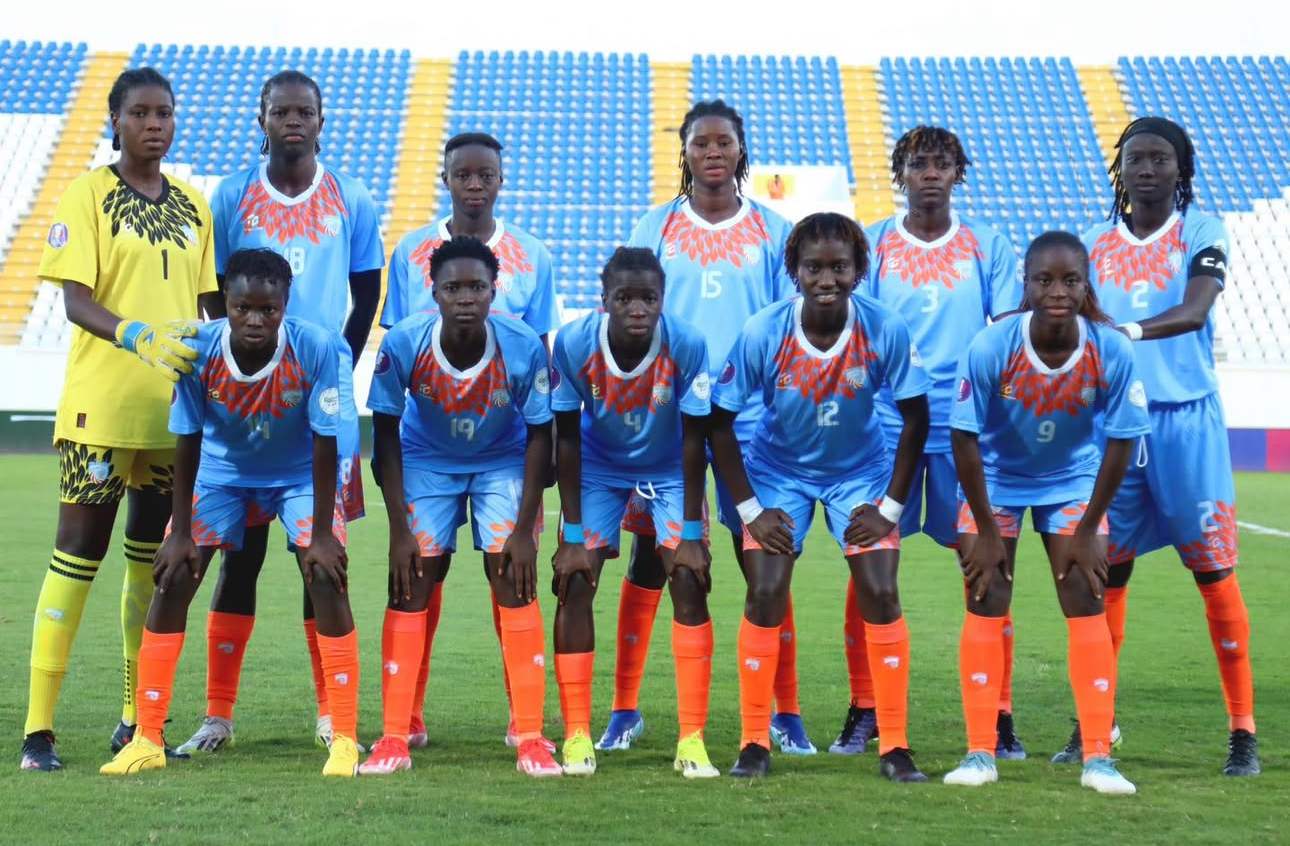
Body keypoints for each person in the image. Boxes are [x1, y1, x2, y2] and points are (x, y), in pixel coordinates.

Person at [176, 70, 383, 756]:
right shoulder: (230, 194)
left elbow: (367, 287)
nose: (293, 120)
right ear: (260, 119)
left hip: (319, 401)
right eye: (281, 111)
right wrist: (237, 355)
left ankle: (331, 714)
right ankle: (217, 716)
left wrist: (337, 360)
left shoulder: (351, 195)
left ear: (322, 121)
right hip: (244, 401)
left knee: (316, 557)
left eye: (305, 111)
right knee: (237, 562)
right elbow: (215, 288)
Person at [21, 67, 222, 772]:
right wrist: (135, 334)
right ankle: (38, 731)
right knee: (76, 558)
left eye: (164, 112)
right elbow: (75, 301)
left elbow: (212, 310)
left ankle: (138, 719)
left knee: (151, 568)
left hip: (172, 417)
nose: (154, 123)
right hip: (100, 409)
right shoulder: (86, 194)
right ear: (116, 121)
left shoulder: (195, 206)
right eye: (140, 112)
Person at [100, 248, 361, 778]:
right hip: (221, 475)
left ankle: (345, 738)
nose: (255, 320)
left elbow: (325, 441)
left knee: (325, 574)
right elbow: (188, 437)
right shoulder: (197, 349)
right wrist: (179, 533)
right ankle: (148, 738)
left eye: (269, 310)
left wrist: (322, 535)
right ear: (226, 302)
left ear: (286, 304)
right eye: (243, 308)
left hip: (297, 476)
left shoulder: (316, 347)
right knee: (173, 574)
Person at [603, 99, 809, 756]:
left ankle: (785, 712)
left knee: (764, 560)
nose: (713, 152)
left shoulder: (775, 231)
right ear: (685, 151)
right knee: (649, 559)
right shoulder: (656, 226)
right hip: (668, 423)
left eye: (724, 142)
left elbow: (791, 326)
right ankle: (624, 709)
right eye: (701, 142)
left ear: (741, 150)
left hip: (754, 423)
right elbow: (631, 315)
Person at [1055, 117, 1258, 776]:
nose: (1145, 169)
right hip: (1115, 426)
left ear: (1180, 170)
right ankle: (1096, 722)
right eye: (1135, 159)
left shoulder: (1201, 231)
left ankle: (1243, 731)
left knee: (1214, 576)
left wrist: (1126, 332)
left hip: (1185, 422)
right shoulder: (1093, 244)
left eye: (1159, 158)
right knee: (1103, 575)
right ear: (1121, 170)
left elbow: (1195, 310)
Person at [709, 212, 930, 780]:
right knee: (765, 590)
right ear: (795, 271)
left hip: (859, 473)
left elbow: (916, 418)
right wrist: (752, 511)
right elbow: (719, 422)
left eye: (839, 267)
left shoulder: (884, 327)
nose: (827, 279)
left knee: (880, 589)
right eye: (814, 268)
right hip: (778, 471)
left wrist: (889, 509)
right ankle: (754, 742)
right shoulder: (764, 330)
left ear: (859, 270)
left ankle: (895, 745)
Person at [832, 126, 1025, 759]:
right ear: (902, 174)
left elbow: (1006, 336)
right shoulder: (875, 245)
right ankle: (865, 708)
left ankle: (998, 715)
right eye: (919, 164)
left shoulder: (988, 246)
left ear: (958, 174)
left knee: (987, 568)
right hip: (886, 432)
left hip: (968, 431)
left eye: (943, 164)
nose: (931, 174)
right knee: (868, 568)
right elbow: (854, 333)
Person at [942, 231, 1148, 795]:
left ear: (1086, 286)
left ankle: (1099, 758)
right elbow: (963, 437)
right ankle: (980, 753)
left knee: (1086, 594)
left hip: (1072, 481)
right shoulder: (992, 344)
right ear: (1026, 285)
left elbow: (1122, 442)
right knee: (985, 594)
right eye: (1045, 280)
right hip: (996, 481)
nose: (1058, 291)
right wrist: (986, 530)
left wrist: (1088, 528)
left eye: (1070, 280)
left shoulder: (1111, 349)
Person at [380, 131, 559, 750]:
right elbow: (403, 345)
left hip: (504, 444)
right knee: (419, 573)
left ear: (501, 179)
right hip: (428, 443)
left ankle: (523, 720)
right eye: (464, 174)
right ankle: (406, 718)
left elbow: (536, 356)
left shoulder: (532, 255)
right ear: (447, 179)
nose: (476, 184)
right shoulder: (411, 252)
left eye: (486, 174)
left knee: (509, 569)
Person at [548, 247, 717, 778]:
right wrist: (572, 535)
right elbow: (566, 438)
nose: (638, 308)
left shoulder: (687, 343)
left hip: (669, 469)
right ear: (604, 300)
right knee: (575, 580)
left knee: (688, 576)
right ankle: (577, 735)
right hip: (598, 468)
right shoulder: (574, 344)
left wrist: (692, 532)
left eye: (649, 298)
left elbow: (695, 439)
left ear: (663, 299)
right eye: (625, 298)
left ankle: (692, 740)